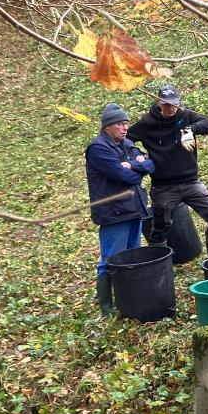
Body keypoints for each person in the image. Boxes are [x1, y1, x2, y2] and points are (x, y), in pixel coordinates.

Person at [127, 84, 208, 257]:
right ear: (158, 103)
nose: (171, 108)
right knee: (159, 229)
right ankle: (160, 270)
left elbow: (207, 123)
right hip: (163, 186)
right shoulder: (147, 123)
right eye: (166, 105)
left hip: (191, 182)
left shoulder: (186, 116)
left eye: (174, 104)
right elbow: (126, 139)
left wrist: (190, 130)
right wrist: (138, 154)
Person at [86, 103, 155, 317]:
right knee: (111, 259)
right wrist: (137, 167)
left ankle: (128, 298)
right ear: (107, 126)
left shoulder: (125, 144)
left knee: (132, 256)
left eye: (126, 123)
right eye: (119, 124)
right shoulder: (98, 149)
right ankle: (106, 308)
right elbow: (125, 176)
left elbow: (150, 164)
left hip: (134, 208)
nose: (124, 128)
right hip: (114, 213)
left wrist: (133, 165)